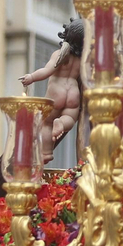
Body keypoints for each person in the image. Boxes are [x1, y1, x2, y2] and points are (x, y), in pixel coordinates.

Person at [19, 20, 85, 151]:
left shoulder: (59, 54)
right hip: (73, 92)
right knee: (70, 118)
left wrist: (31, 77)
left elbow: (47, 70)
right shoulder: (82, 59)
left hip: (57, 91)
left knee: (46, 123)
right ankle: (61, 123)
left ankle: (45, 152)